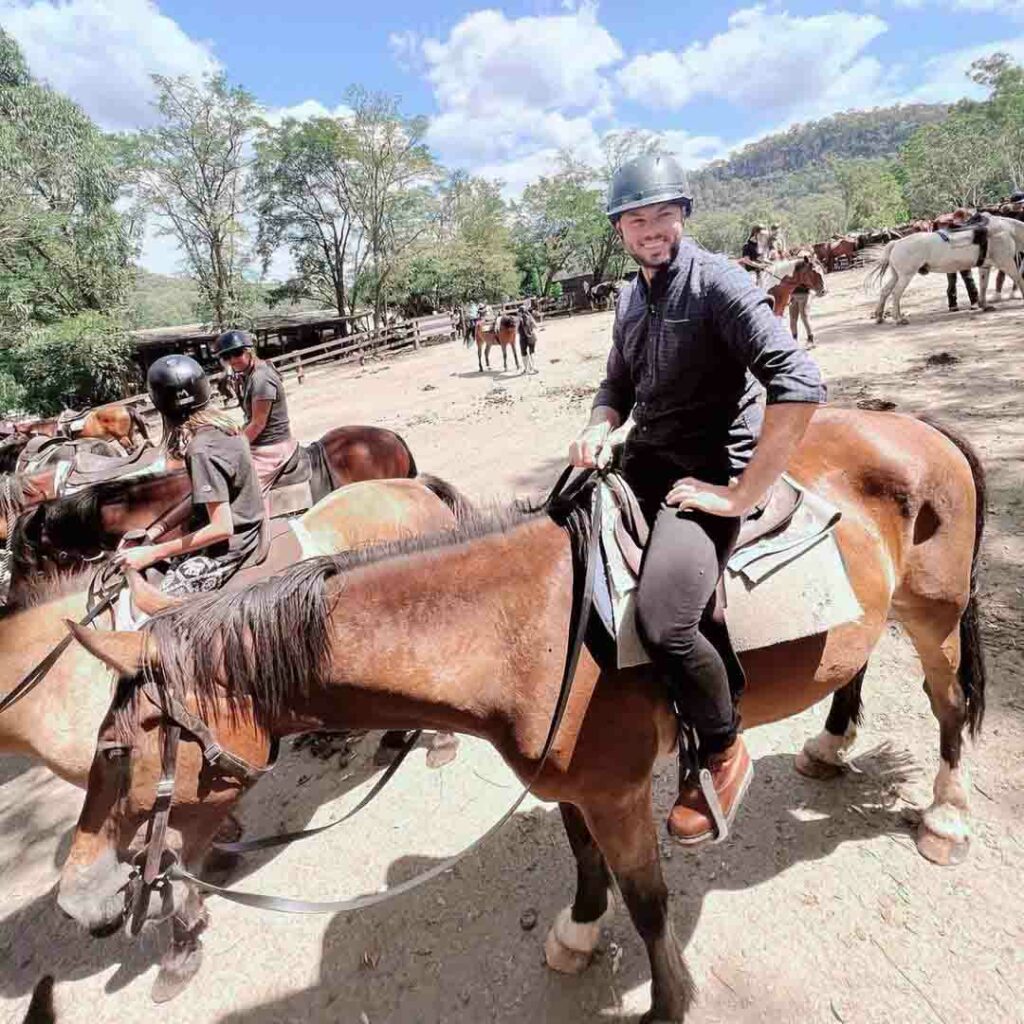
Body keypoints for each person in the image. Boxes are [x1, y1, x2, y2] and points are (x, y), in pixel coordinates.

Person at [568, 153, 826, 845]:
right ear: (619, 228)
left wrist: (739, 492)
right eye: (635, 218)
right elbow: (616, 386)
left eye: (662, 214)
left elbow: (798, 380)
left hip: (706, 472)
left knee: (665, 621)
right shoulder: (628, 295)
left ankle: (721, 744)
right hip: (647, 456)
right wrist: (598, 428)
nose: (650, 229)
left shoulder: (720, 285)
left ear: (682, 214)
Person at [113, 354, 265, 596]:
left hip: (234, 544)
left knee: (161, 607)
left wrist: (152, 553)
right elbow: (203, 496)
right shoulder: (227, 428)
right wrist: (155, 532)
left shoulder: (200, 449)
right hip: (250, 526)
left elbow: (222, 528)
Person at [211, 330, 297, 492]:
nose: (232, 360)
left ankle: (261, 518)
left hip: (271, 445)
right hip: (262, 442)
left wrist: (235, 446)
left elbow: (258, 424)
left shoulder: (261, 379)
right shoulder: (249, 374)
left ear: (249, 351)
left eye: (236, 353)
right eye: (226, 357)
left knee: (247, 491)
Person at [942, 209, 980, 312]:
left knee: (951, 282)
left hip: (949, 258)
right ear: (964, 217)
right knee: (968, 279)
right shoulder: (966, 227)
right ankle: (974, 302)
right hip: (963, 257)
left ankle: (952, 304)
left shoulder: (947, 228)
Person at [518, 303, 539, 374]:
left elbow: (517, 330)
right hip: (532, 337)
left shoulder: (520, 319)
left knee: (524, 353)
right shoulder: (530, 317)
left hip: (523, 338)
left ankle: (526, 369)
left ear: (520, 312)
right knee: (532, 352)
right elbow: (536, 326)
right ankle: (534, 367)